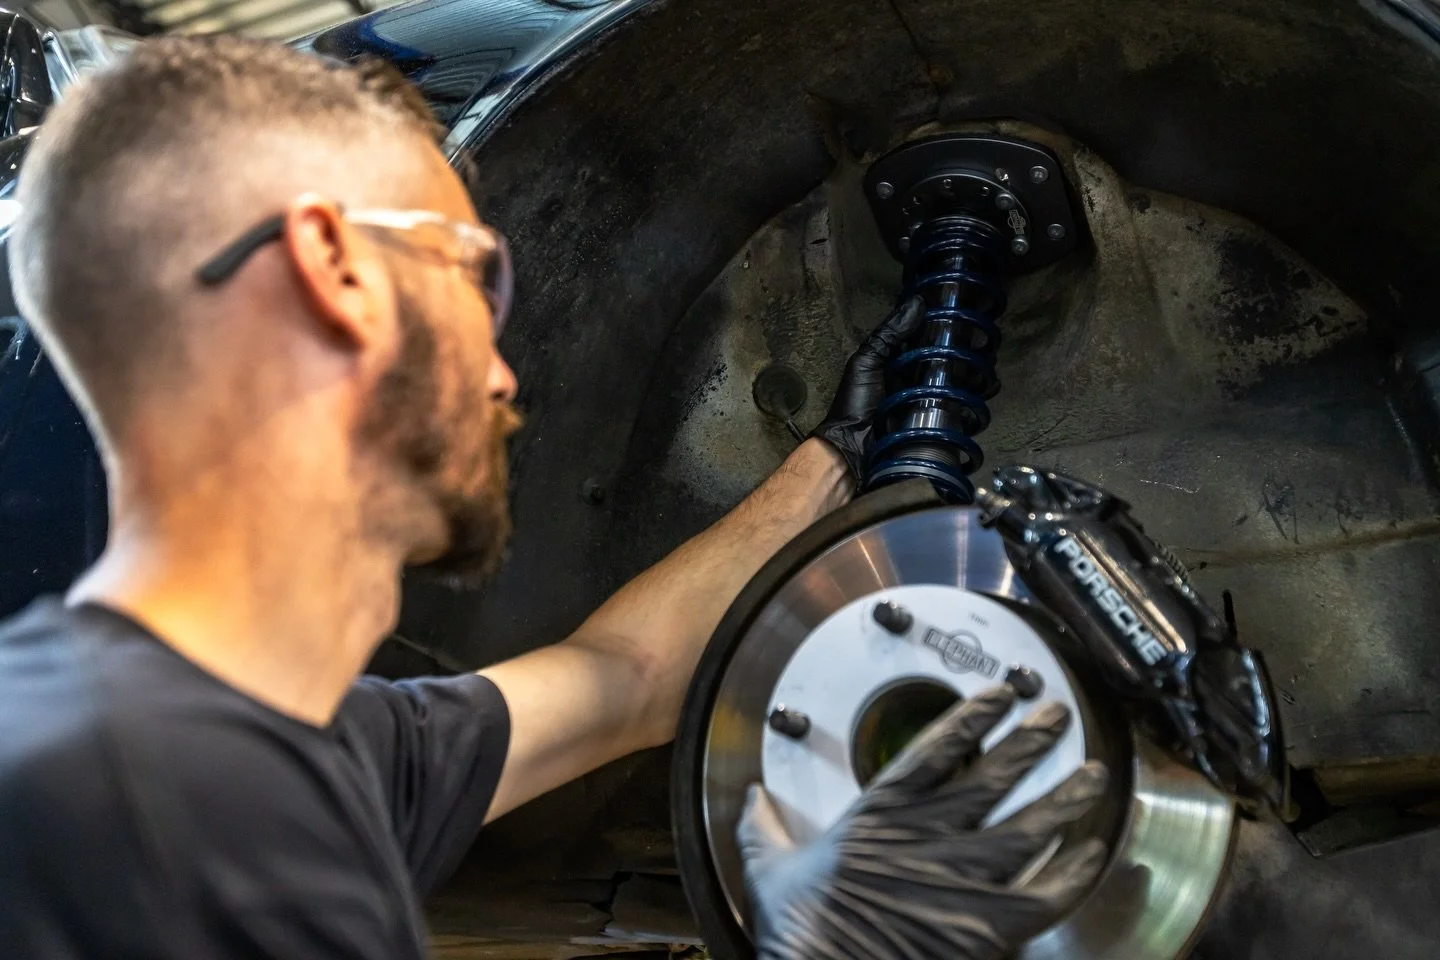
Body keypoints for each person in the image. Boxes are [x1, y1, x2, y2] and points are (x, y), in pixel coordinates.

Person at [0, 35, 1107, 959]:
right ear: (335, 270)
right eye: (472, 272)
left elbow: (625, 680)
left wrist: (840, 450)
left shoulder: (314, 754)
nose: (501, 369)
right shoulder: (103, 804)